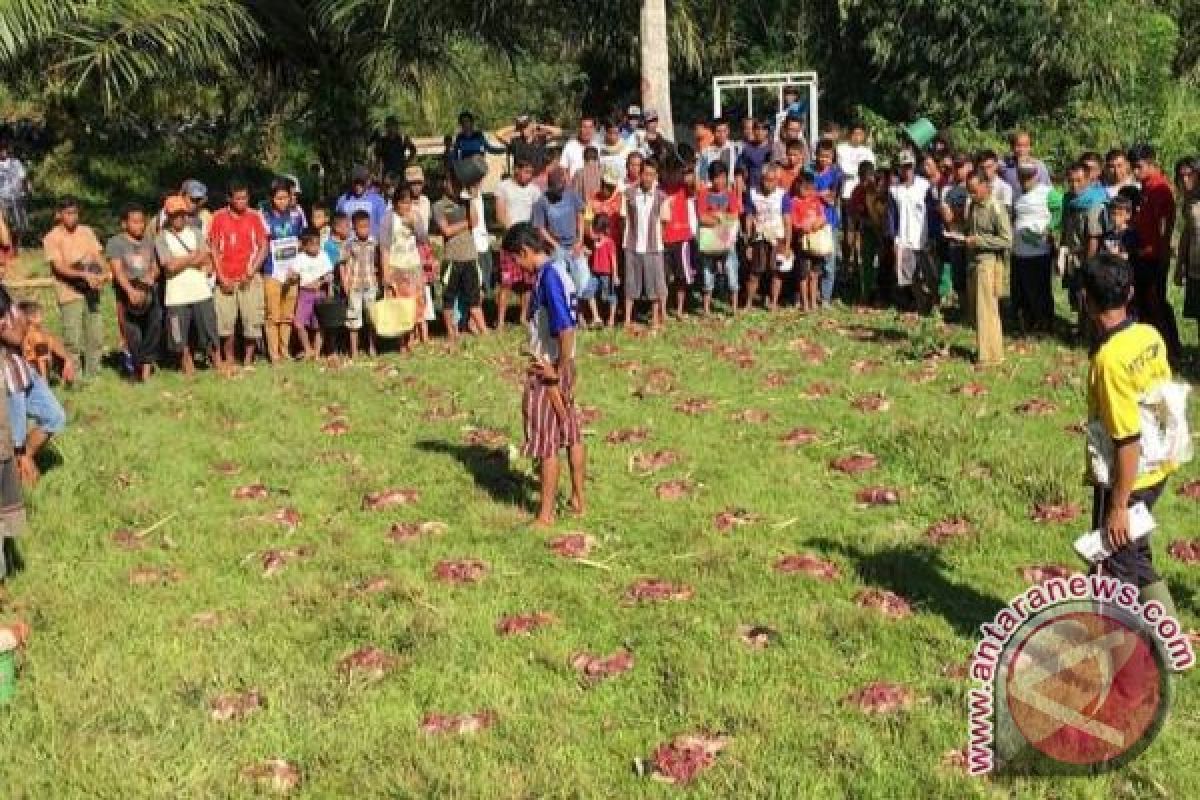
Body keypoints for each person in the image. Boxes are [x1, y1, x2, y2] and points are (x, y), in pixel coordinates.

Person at [1080, 253, 1180, 617]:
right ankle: (1171, 643)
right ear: (1131, 293)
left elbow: (1126, 438)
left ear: (1086, 301)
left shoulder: (1109, 360)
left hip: (1129, 473)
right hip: (1158, 464)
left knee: (1116, 567)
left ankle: (1135, 657)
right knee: (1134, 552)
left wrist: (1118, 506)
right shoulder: (1149, 335)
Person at [500, 222, 585, 527]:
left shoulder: (549, 277)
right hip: (563, 362)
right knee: (571, 432)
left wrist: (555, 372)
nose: (516, 267)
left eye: (515, 260)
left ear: (524, 252)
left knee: (547, 442)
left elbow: (565, 327)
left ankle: (545, 515)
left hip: (549, 368)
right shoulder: (558, 270)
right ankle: (577, 498)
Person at [0, 295, 67, 486]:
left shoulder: (5, 293)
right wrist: (20, 327)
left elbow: (26, 334)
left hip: (22, 370)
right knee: (15, 436)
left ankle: (23, 460)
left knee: (54, 416)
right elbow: (13, 335)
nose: (5, 265)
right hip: (8, 377)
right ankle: (19, 474)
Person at [1128, 144, 1183, 367]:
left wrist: (1162, 257)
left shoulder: (1159, 188)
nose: (1135, 171)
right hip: (1141, 255)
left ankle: (1171, 350)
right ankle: (1151, 347)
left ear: (1152, 164)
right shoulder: (1145, 187)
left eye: (1139, 166)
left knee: (1156, 303)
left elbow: (1164, 227)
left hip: (1154, 257)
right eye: (1133, 167)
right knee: (1144, 303)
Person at [43, 197, 107, 381]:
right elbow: (58, 267)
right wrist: (82, 275)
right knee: (73, 338)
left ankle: (93, 375)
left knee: (95, 335)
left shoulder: (86, 231)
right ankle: (75, 376)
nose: (73, 217)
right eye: (69, 213)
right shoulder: (51, 238)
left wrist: (103, 272)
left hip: (91, 289)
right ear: (59, 215)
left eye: (75, 213)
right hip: (68, 292)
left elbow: (96, 255)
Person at [157, 195, 222, 377]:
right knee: (179, 334)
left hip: (200, 290)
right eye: (175, 215)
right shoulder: (161, 237)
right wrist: (192, 257)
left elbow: (205, 256)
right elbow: (169, 266)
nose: (179, 218)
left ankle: (218, 362)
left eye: (182, 214)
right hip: (176, 295)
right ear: (168, 216)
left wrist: (183, 260)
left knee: (209, 329)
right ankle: (187, 364)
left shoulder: (196, 232)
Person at [208, 182, 267, 368]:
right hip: (226, 278)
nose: (242, 202)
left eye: (245, 198)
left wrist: (252, 271)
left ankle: (249, 359)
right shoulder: (217, 217)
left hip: (249, 277)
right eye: (238, 198)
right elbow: (214, 249)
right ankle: (229, 358)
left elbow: (264, 246)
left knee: (252, 320)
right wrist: (221, 277)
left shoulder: (255, 216)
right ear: (229, 199)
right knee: (225, 323)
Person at [106, 204, 162, 381]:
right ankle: (133, 369)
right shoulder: (116, 242)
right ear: (124, 224)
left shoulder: (149, 241)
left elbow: (155, 266)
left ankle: (146, 371)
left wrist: (151, 277)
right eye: (135, 222)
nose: (140, 225)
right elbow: (117, 270)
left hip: (148, 290)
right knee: (132, 334)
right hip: (127, 291)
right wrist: (130, 290)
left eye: (142, 222)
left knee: (153, 328)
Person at [533, 168, 595, 325]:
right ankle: (569, 317)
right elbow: (540, 228)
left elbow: (580, 215)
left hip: (574, 245)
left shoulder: (571, 195)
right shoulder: (542, 202)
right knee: (562, 284)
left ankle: (584, 314)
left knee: (582, 282)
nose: (559, 192)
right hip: (556, 248)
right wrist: (554, 245)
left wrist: (580, 239)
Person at [964, 168, 1013, 366]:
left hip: (989, 263)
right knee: (978, 309)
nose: (972, 194)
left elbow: (1007, 240)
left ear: (986, 186)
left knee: (987, 310)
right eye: (969, 191)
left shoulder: (996, 207)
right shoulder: (974, 206)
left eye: (975, 190)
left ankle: (988, 356)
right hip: (975, 261)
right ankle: (989, 351)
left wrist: (980, 241)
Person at [433, 177, 488, 341]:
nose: (456, 187)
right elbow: (446, 231)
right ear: (445, 183)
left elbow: (476, 221)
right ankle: (451, 332)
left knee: (474, 296)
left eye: (459, 184)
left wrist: (470, 200)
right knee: (449, 297)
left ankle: (483, 330)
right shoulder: (439, 206)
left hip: (470, 256)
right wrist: (466, 224)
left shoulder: (465, 202)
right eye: (453, 183)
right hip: (452, 258)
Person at [495, 158, 543, 332]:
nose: (528, 176)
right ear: (516, 170)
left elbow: (538, 215)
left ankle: (523, 316)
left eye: (531, 173)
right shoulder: (503, 187)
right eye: (526, 172)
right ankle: (500, 321)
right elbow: (500, 214)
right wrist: (514, 232)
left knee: (527, 283)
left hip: (527, 242)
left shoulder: (534, 191)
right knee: (506, 283)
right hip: (510, 241)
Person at [620, 158, 669, 329]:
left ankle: (655, 319)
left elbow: (664, 221)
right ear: (640, 174)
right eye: (645, 174)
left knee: (653, 285)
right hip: (632, 245)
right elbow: (623, 219)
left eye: (652, 175)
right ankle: (627, 319)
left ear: (656, 177)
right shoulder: (628, 194)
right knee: (631, 285)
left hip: (653, 247)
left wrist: (657, 240)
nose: (648, 178)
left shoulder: (661, 197)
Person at [261, 180, 306, 363]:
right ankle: (274, 355)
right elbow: (263, 244)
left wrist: (297, 268)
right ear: (272, 199)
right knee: (273, 315)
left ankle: (284, 350)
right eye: (278, 198)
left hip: (292, 272)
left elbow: (302, 241)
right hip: (272, 271)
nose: (282, 201)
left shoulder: (297, 215)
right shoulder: (264, 217)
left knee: (288, 315)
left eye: (285, 197)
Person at [379, 186, 430, 343]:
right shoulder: (388, 219)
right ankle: (402, 342)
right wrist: (386, 273)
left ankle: (414, 338)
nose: (406, 206)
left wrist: (414, 224)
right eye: (403, 202)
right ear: (395, 203)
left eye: (409, 202)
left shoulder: (416, 216)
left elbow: (423, 239)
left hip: (413, 266)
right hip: (396, 267)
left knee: (416, 303)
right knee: (401, 306)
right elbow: (384, 248)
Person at [1010, 163, 1056, 333]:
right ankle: (1027, 323)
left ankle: (1045, 324)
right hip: (1018, 252)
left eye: (1029, 175)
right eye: (1022, 175)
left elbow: (1061, 209)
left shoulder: (1048, 192)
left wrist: (1051, 229)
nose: (1025, 179)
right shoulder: (1017, 195)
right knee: (1021, 291)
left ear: (1036, 175)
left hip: (1039, 252)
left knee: (1040, 291)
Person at [695, 161, 742, 315]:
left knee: (732, 271)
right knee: (707, 274)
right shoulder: (703, 194)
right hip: (709, 242)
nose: (719, 181)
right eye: (716, 177)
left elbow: (735, 216)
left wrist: (715, 216)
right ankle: (707, 309)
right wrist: (721, 219)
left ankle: (734, 308)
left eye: (722, 177)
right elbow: (702, 218)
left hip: (727, 241)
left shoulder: (730, 195)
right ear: (710, 178)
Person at [744, 163, 791, 312]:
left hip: (777, 238)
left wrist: (787, 246)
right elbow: (749, 218)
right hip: (759, 238)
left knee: (776, 273)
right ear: (761, 178)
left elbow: (787, 221)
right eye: (766, 180)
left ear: (777, 181)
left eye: (772, 180)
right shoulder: (752, 193)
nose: (768, 183)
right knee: (754, 273)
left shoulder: (782, 195)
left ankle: (774, 303)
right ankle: (749, 303)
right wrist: (748, 243)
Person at [887, 153, 931, 310]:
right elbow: (892, 217)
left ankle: (933, 303)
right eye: (903, 167)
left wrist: (932, 235)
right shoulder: (894, 191)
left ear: (914, 166)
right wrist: (894, 238)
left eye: (909, 167)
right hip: (904, 240)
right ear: (899, 168)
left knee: (929, 275)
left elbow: (931, 212)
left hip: (923, 238)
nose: (907, 170)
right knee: (910, 276)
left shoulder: (924, 186)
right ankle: (921, 305)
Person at [662, 151, 699, 320]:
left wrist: (689, 170)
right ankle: (663, 309)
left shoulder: (685, 188)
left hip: (682, 238)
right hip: (663, 239)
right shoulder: (660, 189)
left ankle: (679, 309)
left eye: (676, 170)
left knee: (681, 277)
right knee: (664, 277)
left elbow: (695, 185)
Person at [342, 210, 382, 359]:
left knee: (371, 317)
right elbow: (344, 264)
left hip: (371, 284)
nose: (364, 229)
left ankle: (372, 347)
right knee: (353, 318)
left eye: (367, 226)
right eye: (361, 227)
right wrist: (346, 282)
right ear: (354, 227)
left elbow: (378, 262)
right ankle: (354, 350)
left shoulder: (374, 243)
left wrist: (380, 280)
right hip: (355, 285)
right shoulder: (349, 245)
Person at [787, 169, 826, 313]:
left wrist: (819, 223)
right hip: (802, 243)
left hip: (816, 243)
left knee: (814, 274)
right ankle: (805, 302)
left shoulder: (816, 201)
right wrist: (803, 227)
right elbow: (794, 222)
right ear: (798, 186)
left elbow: (823, 217)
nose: (808, 192)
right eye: (805, 188)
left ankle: (813, 301)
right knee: (803, 274)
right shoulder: (793, 202)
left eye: (810, 189)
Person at [292, 229, 333, 360]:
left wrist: (322, 281)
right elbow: (293, 273)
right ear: (304, 246)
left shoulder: (323, 255)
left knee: (318, 325)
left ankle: (317, 353)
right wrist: (291, 276)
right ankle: (307, 349)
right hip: (304, 294)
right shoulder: (300, 258)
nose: (316, 247)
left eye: (318, 243)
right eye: (312, 244)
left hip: (319, 294)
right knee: (298, 323)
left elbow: (329, 274)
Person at [812, 139, 844, 305]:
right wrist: (820, 194)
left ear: (833, 158)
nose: (824, 160)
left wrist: (819, 194)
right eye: (821, 156)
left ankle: (825, 298)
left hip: (829, 222)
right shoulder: (810, 172)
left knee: (829, 263)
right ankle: (812, 295)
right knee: (813, 261)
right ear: (816, 155)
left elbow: (832, 199)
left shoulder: (836, 174)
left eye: (828, 157)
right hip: (811, 221)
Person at [1176, 157, 1200, 343]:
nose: (1185, 180)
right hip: (1194, 267)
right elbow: (1186, 234)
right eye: (1181, 175)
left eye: (1189, 174)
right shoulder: (1188, 201)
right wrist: (1179, 266)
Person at [496, 115, 562, 181]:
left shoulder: (540, 139)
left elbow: (558, 132)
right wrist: (515, 126)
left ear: (531, 125)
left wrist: (539, 126)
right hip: (521, 179)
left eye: (526, 126)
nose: (524, 129)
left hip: (538, 178)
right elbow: (498, 134)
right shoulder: (515, 141)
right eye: (522, 127)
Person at [19, 301, 70, 382]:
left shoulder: (24, 333)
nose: (42, 318)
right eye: (40, 315)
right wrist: (45, 380)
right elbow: (41, 360)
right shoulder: (37, 336)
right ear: (31, 318)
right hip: (34, 368)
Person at [336, 166, 388, 239]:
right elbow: (337, 223)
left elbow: (384, 226)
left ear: (367, 182)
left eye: (361, 183)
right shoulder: (343, 200)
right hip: (347, 245)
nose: (358, 186)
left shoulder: (378, 201)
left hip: (371, 245)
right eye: (356, 182)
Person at [1000, 131, 1051, 199]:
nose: (1022, 149)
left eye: (1026, 146)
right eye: (1018, 146)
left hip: (1032, 206)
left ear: (1030, 147)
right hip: (1012, 207)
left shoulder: (1039, 166)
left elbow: (1047, 190)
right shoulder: (1005, 166)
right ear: (1012, 147)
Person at [589, 215, 619, 327]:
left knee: (609, 296)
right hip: (595, 273)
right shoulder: (595, 241)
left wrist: (615, 275)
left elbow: (613, 260)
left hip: (607, 274)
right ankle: (596, 318)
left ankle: (611, 319)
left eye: (595, 228)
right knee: (589, 292)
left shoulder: (609, 242)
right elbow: (591, 234)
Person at [0, 141, 29, 249]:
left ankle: (17, 244)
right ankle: (8, 246)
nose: (3, 152)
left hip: (17, 196)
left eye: (4, 149)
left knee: (20, 224)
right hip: (2, 198)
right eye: (1, 149)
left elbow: (23, 177)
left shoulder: (16, 163)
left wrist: (25, 191)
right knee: (5, 222)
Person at [372, 115, 418, 182]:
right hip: (387, 173)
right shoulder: (382, 141)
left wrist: (407, 162)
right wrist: (375, 172)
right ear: (386, 127)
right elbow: (377, 157)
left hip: (400, 172)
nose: (391, 128)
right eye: (388, 126)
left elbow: (413, 150)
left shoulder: (402, 138)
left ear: (397, 127)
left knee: (401, 191)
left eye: (393, 126)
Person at [698, 117, 738, 185]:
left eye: (724, 131)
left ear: (728, 131)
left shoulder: (736, 149)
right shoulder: (706, 152)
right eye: (718, 131)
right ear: (713, 132)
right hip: (711, 191)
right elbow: (702, 176)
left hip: (730, 190)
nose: (722, 135)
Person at [1101, 195, 1139, 262]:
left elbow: (1133, 256)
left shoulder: (1131, 235)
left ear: (1128, 215)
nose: (1116, 218)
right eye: (1113, 214)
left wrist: (1117, 255)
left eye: (1120, 214)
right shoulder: (1107, 234)